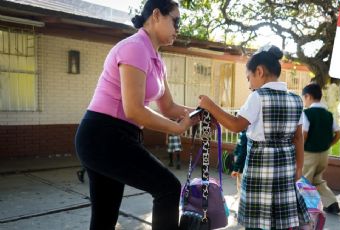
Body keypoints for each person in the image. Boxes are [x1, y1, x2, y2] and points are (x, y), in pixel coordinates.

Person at [74, 1, 195, 229]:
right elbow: (135, 110)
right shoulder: (135, 48)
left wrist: (197, 114)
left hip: (116, 137)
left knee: (104, 218)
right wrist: (178, 128)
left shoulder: (156, 59)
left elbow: (168, 107)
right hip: (103, 135)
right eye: (175, 20)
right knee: (168, 188)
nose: (178, 28)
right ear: (157, 15)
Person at [199, 45, 311, 230]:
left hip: (260, 168)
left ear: (259, 71)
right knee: (279, 220)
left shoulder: (257, 96)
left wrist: (210, 106)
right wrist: (299, 167)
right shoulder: (296, 99)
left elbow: (236, 125)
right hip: (286, 167)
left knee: (257, 221)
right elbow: (298, 138)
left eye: (249, 78)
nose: (249, 84)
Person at [301, 83, 340, 214]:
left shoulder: (307, 113)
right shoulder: (328, 114)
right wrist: (328, 144)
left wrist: (297, 150)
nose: (304, 101)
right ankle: (331, 202)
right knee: (318, 180)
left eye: (304, 98)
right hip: (324, 154)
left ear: (308, 96)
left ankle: (309, 209)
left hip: (309, 154)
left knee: (304, 181)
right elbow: (338, 133)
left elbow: (304, 135)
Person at [230, 130, 247, 197]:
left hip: (242, 164)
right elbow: (238, 147)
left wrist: (236, 168)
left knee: (241, 181)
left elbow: (242, 153)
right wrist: (235, 154)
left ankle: (241, 196)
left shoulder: (245, 135)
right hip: (239, 162)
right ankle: (239, 194)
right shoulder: (241, 134)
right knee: (239, 180)